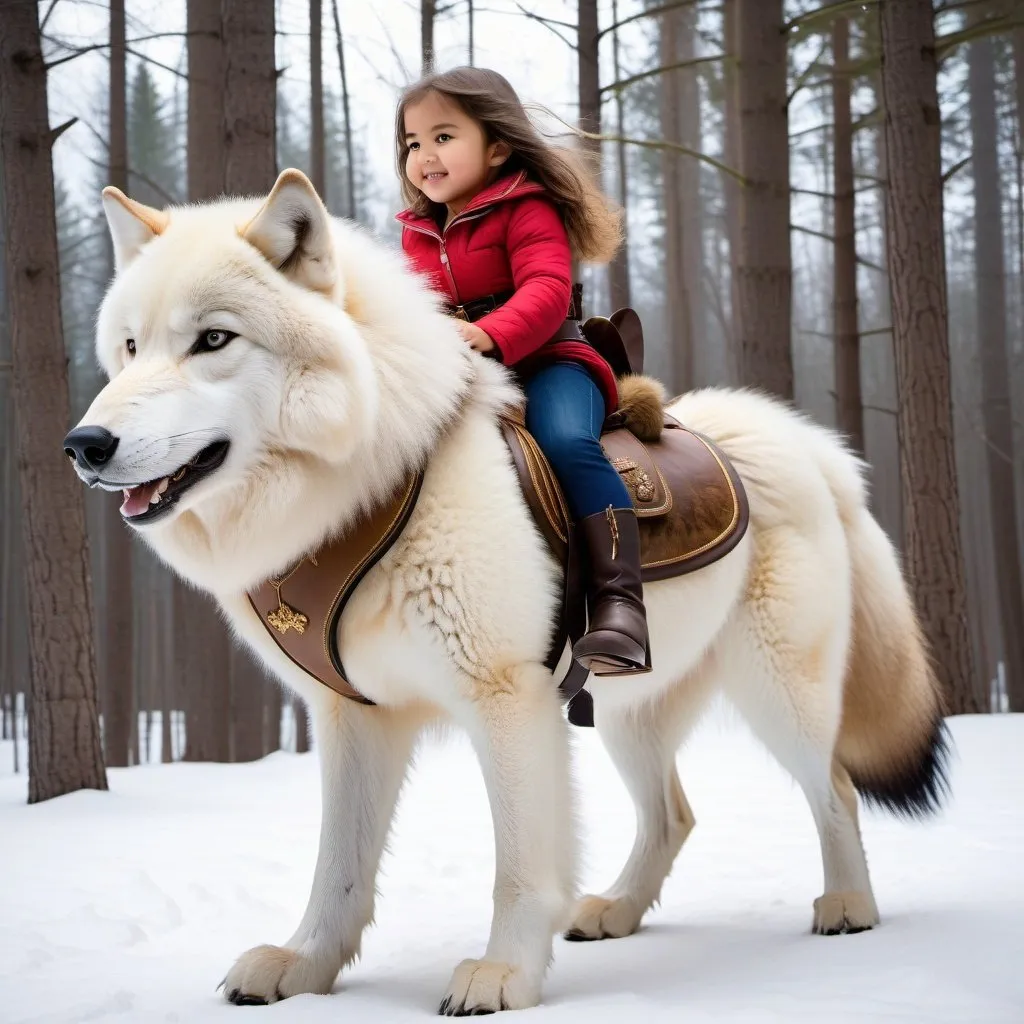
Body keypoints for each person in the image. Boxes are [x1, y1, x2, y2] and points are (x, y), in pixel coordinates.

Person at [394, 66, 652, 677]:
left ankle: (621, 605)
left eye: (443, 137)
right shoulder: (416, 234)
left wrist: (488, 332)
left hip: (550, 361)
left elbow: (545, 288)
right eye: (412, 143)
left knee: (567, 443)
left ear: (499, 146)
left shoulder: (527, 207)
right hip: (461, 373)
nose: (425, 156)